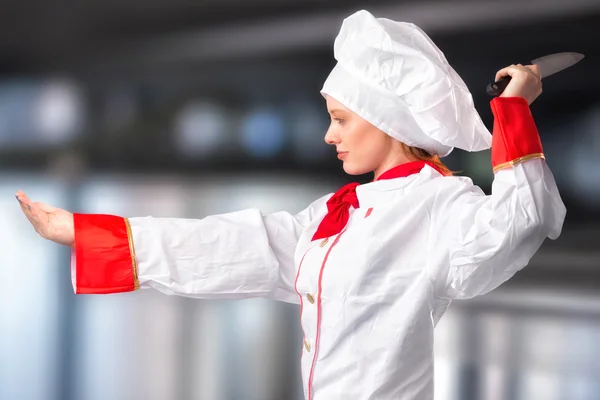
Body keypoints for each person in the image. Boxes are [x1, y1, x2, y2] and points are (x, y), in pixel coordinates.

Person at [16, 10, 565, 400]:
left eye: (341, 119)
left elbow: (521, 220)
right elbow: (228, 246)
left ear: (388, 121)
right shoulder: (336, 215)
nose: (330, 135)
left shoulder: (437, 205)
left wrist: (512, 111)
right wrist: (84, 231)